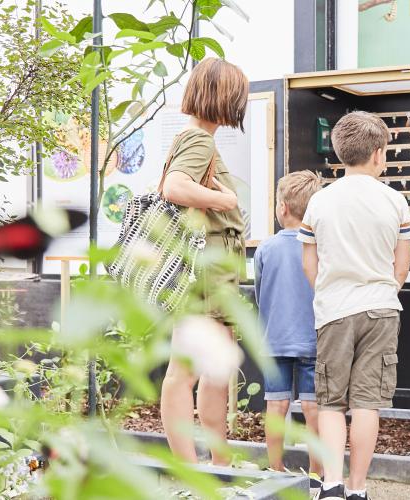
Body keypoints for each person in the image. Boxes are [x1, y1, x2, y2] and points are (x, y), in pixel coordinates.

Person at [299, 111, 410, 500]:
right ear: (379, 153)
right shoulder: (396, 201)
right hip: (382, 309)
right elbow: (403, 265)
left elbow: (309, 262)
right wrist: (386, 290)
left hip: (333, 311)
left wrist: (328, 293)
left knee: (331, 402)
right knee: (368, 403)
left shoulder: (319, 201)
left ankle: (330, 484)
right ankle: (358, 489)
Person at [157, 57, 250, 466]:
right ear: (226, 97)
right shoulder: (200, 140)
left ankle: (219, 464)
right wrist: (226, 200)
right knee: (187, 370)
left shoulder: (194, 137)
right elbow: (173, 188)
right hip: (208, 273)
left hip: (215, 273)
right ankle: (194, 467)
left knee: (214, 371)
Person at [253, 170, 325, 493]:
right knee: (313, 408)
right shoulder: (320, 248)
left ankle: (275, 470)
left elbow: (259, 292)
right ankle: (316, 475)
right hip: (312, 338)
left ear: (282, 208)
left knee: (275, 406)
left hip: (274, 339)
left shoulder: (265, 249)